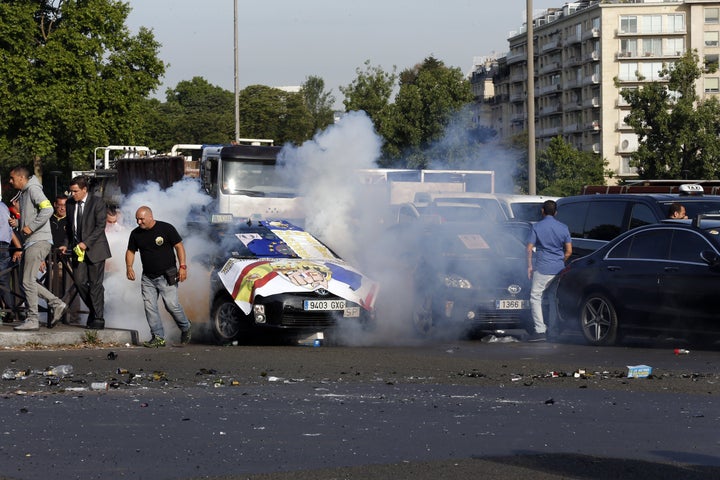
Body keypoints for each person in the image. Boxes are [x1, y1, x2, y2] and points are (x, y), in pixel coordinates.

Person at [7, 166, 67, 331]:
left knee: (27, 281)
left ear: (21, 178)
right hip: (32, 241)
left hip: (38, 240)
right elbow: (33, 215)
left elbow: (47, 209)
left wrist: (31, 227)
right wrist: (19, 224)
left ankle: (32, 319)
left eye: (12, 178)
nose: (10, 182)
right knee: (25, 281)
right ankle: (57, 304)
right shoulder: (26, 191)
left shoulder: (33, 189)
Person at [125, 206, 192, 347]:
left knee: (171, 306)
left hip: (167, 275)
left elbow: (179, 246)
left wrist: (183, 266)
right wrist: (129, 267)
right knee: (150, 307)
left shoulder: (166, 228)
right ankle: (158, 337)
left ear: (150, 217)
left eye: (141, 219)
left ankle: (186, 327)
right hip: (148, 277)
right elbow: (130, 251)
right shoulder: (136, 234)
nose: (139, 222)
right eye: (137, 219)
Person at [60, 176, 112, 330]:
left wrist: (86, 243)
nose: (73, 194)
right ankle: (96, 310)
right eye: (71, 191)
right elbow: (70, 228)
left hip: (95, 250)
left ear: (84, 190)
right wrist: (65, 245)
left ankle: (98, 318)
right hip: (78, 251)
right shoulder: (70, 204)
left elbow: (100, 226)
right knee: (79, 281)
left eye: (75, 191)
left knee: (95, 284)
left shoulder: (97, 202)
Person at [526, 200, 572, 342]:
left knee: (535, 297)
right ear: (556, 212)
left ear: (542, 211)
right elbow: (569, 251)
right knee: (553, 298)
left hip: (542, 268)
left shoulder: (537, 227)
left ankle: (540, 330)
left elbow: (528, 249)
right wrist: (560, 262)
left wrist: (529, 266)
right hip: (559, 269)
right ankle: (553, 331)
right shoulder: (563, 227)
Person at [0, 201, 22, 324]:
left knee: (3, 281)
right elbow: (9, 230)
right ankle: (10, 311)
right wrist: (18, 246)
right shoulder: (3, 207)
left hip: (2, 246)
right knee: (4, 280)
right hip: (5, 246)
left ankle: (9, 310)